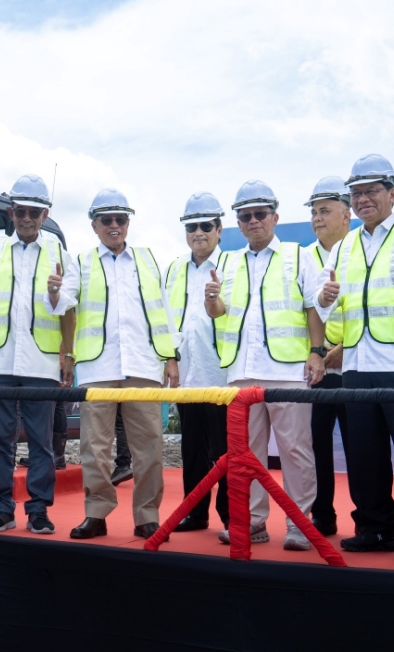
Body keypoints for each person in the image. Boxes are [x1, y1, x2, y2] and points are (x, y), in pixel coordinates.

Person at [317, 154, 394, 562]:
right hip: (356, 366)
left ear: (392, 193)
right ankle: (375, 528)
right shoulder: (345, 245)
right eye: (357, 193)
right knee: (364, 454)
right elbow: (325, 306)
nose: (364, 198)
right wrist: (324, 299)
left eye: (372, 190)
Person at [47, 188, 180, 540]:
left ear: (128, 222)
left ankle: (147, 515)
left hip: (142, 365)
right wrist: (55, 292)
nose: (115, 226)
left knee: (150, 446)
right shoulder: (81, 261)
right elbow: (65, 306)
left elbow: (163, 313)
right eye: (107, 220)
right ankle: (96, 514)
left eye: (121, 219)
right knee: (94, 449)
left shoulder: (148, 259)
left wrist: (170, 357)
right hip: (98, 368)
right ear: (94, 225)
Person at [205, 180, 325, 551]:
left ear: (275, 217)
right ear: (238, 223)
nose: (253, 221)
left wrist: (317, 351)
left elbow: (312, 307)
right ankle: (252, 522)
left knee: (295, 450)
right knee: (246, 455)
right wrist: (212, 302)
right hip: (242, 371)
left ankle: (299, 524)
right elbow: (218, 314)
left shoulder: (297, 255)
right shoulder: (226, 261)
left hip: (288, 370)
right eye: (246, 216)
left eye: (260, 214)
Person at [0, 174, 72, 534]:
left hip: (40, 361)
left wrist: (56, 294)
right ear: (10, 213)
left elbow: (70, 305)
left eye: (34, 212)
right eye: (21, 211)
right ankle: (4, 509)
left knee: (41, 441)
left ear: (45, 214)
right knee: (0, 440)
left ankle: (38, 510)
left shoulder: (60, 254)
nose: (27, 218)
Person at [165, 192, 229, 533]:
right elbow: (165, 321)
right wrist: (169, 360)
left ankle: (230, 515)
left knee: (225, 451)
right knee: (192, 451)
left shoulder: (233, 265)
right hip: (187, 375)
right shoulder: (174, 269)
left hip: (222, 375)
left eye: (206, 225)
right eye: (192, 226)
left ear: (220, 229)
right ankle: (195, 511)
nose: (199, 232)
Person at [304, 177, 352, 537]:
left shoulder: (362, 251)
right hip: (318, 369)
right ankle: (322, 515)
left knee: (362, 446)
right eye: (314, 212)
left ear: (346, 214)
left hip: (354, 365)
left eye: (325, 211)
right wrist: (318, 353)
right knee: (315, 447)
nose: (318, 219)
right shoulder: (303, 258)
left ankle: (368, 520)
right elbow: (301, 313)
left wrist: (343, 349)